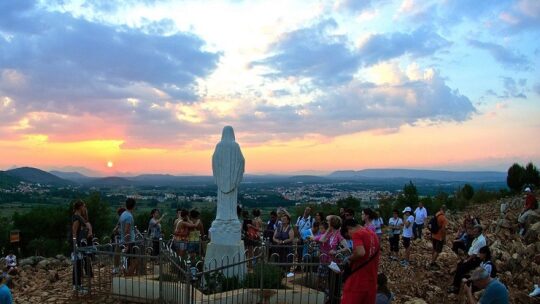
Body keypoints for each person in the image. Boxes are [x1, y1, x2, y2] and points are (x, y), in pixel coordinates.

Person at [341, 218, 380, 304]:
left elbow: (360, 252)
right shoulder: (373, 234)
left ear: (349, 228)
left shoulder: (357, 234)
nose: (351, 239)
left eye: (348, 236)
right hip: (371, 281)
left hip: (358, 281)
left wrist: (349, 258)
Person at [449, 224, 486, 294]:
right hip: (471, 257)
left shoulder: (480, 240)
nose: (474, 233)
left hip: (475, 259)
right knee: (460, 265)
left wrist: (467, 260)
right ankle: (455, 283)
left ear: (480, 232)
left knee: (461, 268)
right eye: (474, 231)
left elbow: (475, 254)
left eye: (476, 232)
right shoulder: (477, 238)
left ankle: (456, 287)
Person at [71, 200, 88, 293]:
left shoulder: (78, 216)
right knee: (77, 265)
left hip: (79, 244)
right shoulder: (77, 218)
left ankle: (78, 285)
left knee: (78, 265)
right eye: (84, 206)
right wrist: (75, 245)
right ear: (80, 207)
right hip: (77, 245)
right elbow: (74, 232)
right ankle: (76, 286)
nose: (84, 208)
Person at [120, 198, 138, 276]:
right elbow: (127, 230)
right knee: (134, 260)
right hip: (129, 242)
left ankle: (126, 275)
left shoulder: (123, 214)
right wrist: (127, 244)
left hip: (123, 240)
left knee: (127, 260)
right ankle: (128, 277)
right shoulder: (129, 216)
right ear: (133, 206)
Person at [429, 205, 448, 269]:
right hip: (439, 236)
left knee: (434, 248)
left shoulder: (437, 214)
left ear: (440, 208)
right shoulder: (443, 218)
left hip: (434, 234)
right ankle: (432, 263)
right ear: (445, 210)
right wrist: (444, 238)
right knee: (437, 250)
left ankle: (432, 260)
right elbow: (443, 230)